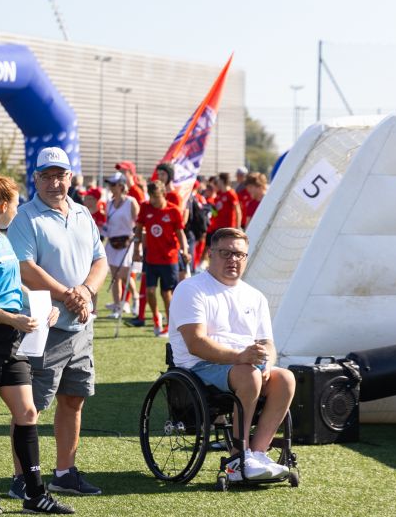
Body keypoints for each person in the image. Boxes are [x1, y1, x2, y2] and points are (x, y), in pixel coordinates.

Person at [0, 168, 74, 516]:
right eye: (15, 204)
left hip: (10, 338)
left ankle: (35, 494)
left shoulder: (2, 238)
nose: (18, 210)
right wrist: (12, 318)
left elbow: (11, 284)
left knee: (27, 412)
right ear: (0, 205)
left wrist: (42, 304)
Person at [7, 146, 108, 497]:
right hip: (44, 324)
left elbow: (101, 261)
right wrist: (70, 295)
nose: (54, 182)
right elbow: (25, 268)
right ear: (35, 179)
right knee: (29, 406)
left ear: (70, 178)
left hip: (81, 325)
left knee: (73, 399)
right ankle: (21, 479)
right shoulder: (26, 218)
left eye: (60, 175)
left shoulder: (82, 213)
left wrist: (84, 291)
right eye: (46, 176)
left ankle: (64, 473)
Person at [169, 227, 296, 481]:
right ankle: (239, 457)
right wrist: (240, 357)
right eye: (225, 253)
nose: (233, 260)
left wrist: (268, 362)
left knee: (286, 379)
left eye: (239, 255)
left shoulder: (255, 296)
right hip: (199, 367)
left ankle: (258, 454)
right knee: (249, 375)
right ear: (210, 255)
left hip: (244, 366)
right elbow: (196, 343)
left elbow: (267, 343)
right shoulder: (191, 289)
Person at [127, 181, 188, 335]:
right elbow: (139, 230)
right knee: (150, 291)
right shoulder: (146, 207)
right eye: (151, 196)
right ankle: (156, 318)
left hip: (169, 258)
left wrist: (185, 250)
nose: (153, 200)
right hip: (151, 258)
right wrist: (136, 250)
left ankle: (169, 323)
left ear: (163, 195)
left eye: (156, 197)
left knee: (166, 294)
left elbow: (180, 233)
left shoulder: (173, 211)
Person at [102, 171, 138, 319]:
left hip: (127, 242)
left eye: (114, 184)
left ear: (121, 186)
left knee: (124, 274)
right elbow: (108, 224)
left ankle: (135, 297)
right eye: (110, 184)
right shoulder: (109, 204)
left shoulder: (131, 202)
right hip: (112, 242)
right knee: (115, 277)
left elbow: (138, 224)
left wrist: (137, 241)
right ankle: (118, 306)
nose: (111, 187)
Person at [207, 172, 241, 247]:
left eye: (218, 180)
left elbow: (238, 211)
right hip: (218, 227)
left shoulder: (231, 193)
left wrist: (237, 227)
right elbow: (215, 211)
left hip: (228, 226)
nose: (217, 182)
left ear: (222, 180)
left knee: (228, 247)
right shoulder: (218, 193)